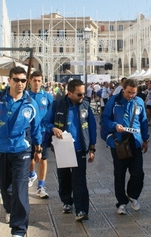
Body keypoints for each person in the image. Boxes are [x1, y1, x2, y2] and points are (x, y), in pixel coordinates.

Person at [0, 66, 42, 237]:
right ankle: (10, 209)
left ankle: (19, 230)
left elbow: (36, 129)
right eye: (16, 80)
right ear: (9, 81)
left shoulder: (31, 103)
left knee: (20, 188)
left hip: (21, 150)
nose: (20, 83)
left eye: (23, 80)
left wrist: (38, 149)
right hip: (0, 149)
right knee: (3, 186)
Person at [42, 79, 97, 221]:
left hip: (80, 148)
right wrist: (53, 128)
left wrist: (92, 148)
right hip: (63, 148)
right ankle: (67, 201)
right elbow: (45, 121)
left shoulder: (85, 105)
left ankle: (82, 210)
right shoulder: (57, 105)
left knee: (79, 180)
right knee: (64, 178)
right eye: (79, 94)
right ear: (70, 93)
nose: (82, 97)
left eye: (83, 94)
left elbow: (92, 127)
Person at [101, 79, 149, 215]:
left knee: (138, 172)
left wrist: (146, 139)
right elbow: (104, 118)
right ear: (123, 88)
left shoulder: (139, 102)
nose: (131, 95)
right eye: (128, 92)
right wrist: (114, 126)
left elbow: (143, 121)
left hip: (135, 141)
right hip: (119, 142)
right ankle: (121, 202)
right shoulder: (114, 101)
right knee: (120, 173)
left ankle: (133, 195)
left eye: (134, 93)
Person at [27, 71, 54, 199]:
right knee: (30, 158)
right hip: (28, 132)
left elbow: (53, 113)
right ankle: (31, 174)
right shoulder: (25, 96)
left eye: (39, 80)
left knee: (43, 158)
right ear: (30, 81)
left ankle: (41, 186)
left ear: (42, 81)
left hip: (43, 132)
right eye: (34, 80)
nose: (37, 83)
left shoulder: (47, 97)